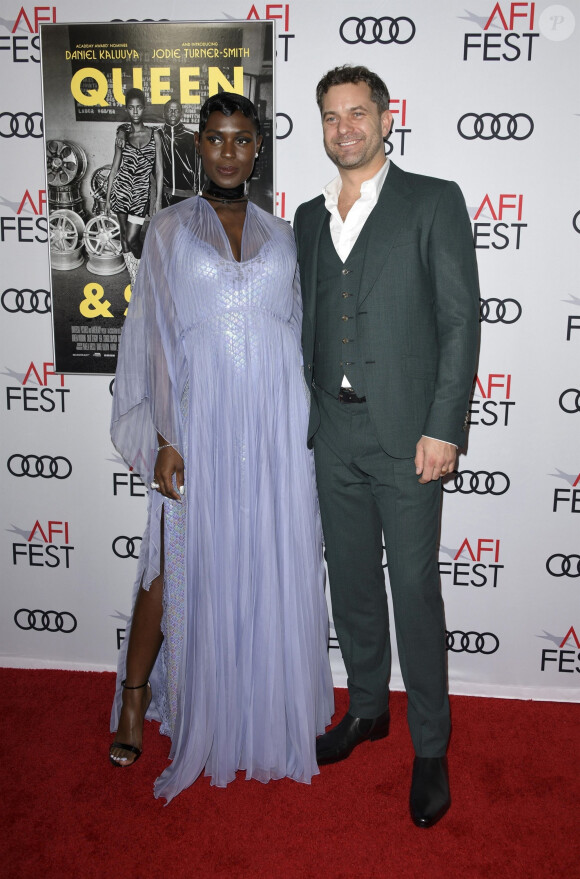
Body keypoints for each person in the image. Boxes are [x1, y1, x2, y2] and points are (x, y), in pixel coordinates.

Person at [108, 92, 334, 802]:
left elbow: (301, 332)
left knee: (266, 557)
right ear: (198, 146)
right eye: (215, 139)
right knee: (170, 559)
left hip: (273, 424)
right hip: (200, 422)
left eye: (241, 139)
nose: (229, 152)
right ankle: (135, 697)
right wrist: (167, 434)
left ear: (258, 148)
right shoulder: (169, 230)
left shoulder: (286, 233)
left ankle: (252, 700)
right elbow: (157, 343)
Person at [293, 65, 480, 828]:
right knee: (353, 588)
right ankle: (367, 709)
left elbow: (460, 320)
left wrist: (444, 425)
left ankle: (429, 744)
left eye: (357, 113)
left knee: (414, 591)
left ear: (384, 115)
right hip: (332, 432)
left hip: (409, 436)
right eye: (332, 116)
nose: (345, 128)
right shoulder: (305, 216)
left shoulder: (432, 200)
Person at [105, 87, 163, 284]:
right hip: (121, 192)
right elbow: (114, 168)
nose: (135, 112)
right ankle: (135, 280)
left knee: (131, 239)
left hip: (140, 196)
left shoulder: (154, 135)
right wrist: (106, 199)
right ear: (127, 109)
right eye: (131, 108)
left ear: (144, 108)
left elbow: (159, 171)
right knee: (124, 236)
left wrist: (157, 202)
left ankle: (146, 267)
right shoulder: (123, 136)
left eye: (139, 108)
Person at [116, 98, 198, 208]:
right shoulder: (157, 133)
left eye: (176, 110)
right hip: (165, 196)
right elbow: (135, 126)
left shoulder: (192, 136)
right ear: (164, 114)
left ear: (181, 114)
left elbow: (201, 168)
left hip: (188, 197)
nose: (173, 113)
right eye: (169, 110)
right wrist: (121, 132)